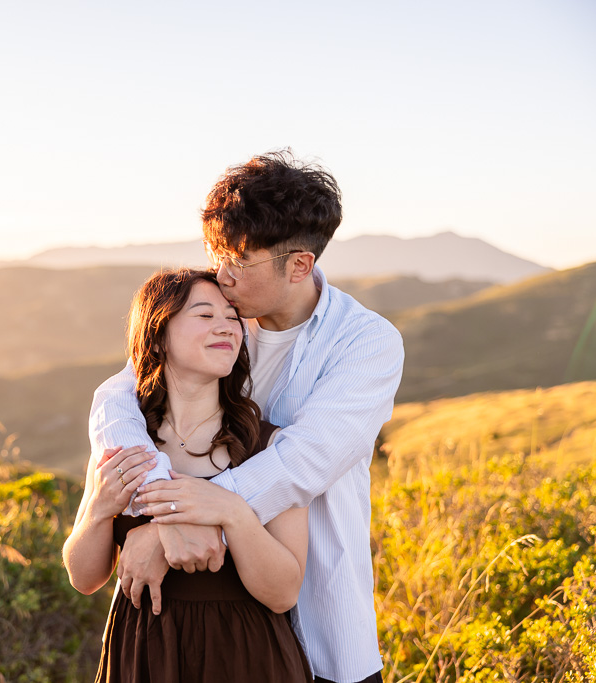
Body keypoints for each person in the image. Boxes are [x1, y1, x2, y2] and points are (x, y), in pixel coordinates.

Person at [90, 150, 404, 683]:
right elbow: (118, 398)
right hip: (205, 630)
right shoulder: (217, 323)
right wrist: (166, 517)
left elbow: (302, 463)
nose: (222, 273)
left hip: (322, 619)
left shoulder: (365, 342)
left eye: (239, 259)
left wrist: (177, 522)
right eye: (216, 253)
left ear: (300, 265)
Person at [64, 268, 312, 683]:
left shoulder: (267, 446)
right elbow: (84, 578)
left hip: (244, 653)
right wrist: (98, 512)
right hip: (145, 650)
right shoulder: (124, 443)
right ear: (158, 335)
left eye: (233, 318)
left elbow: (284, 592)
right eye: (204, 315)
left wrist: (232, 514)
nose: (227, 327)